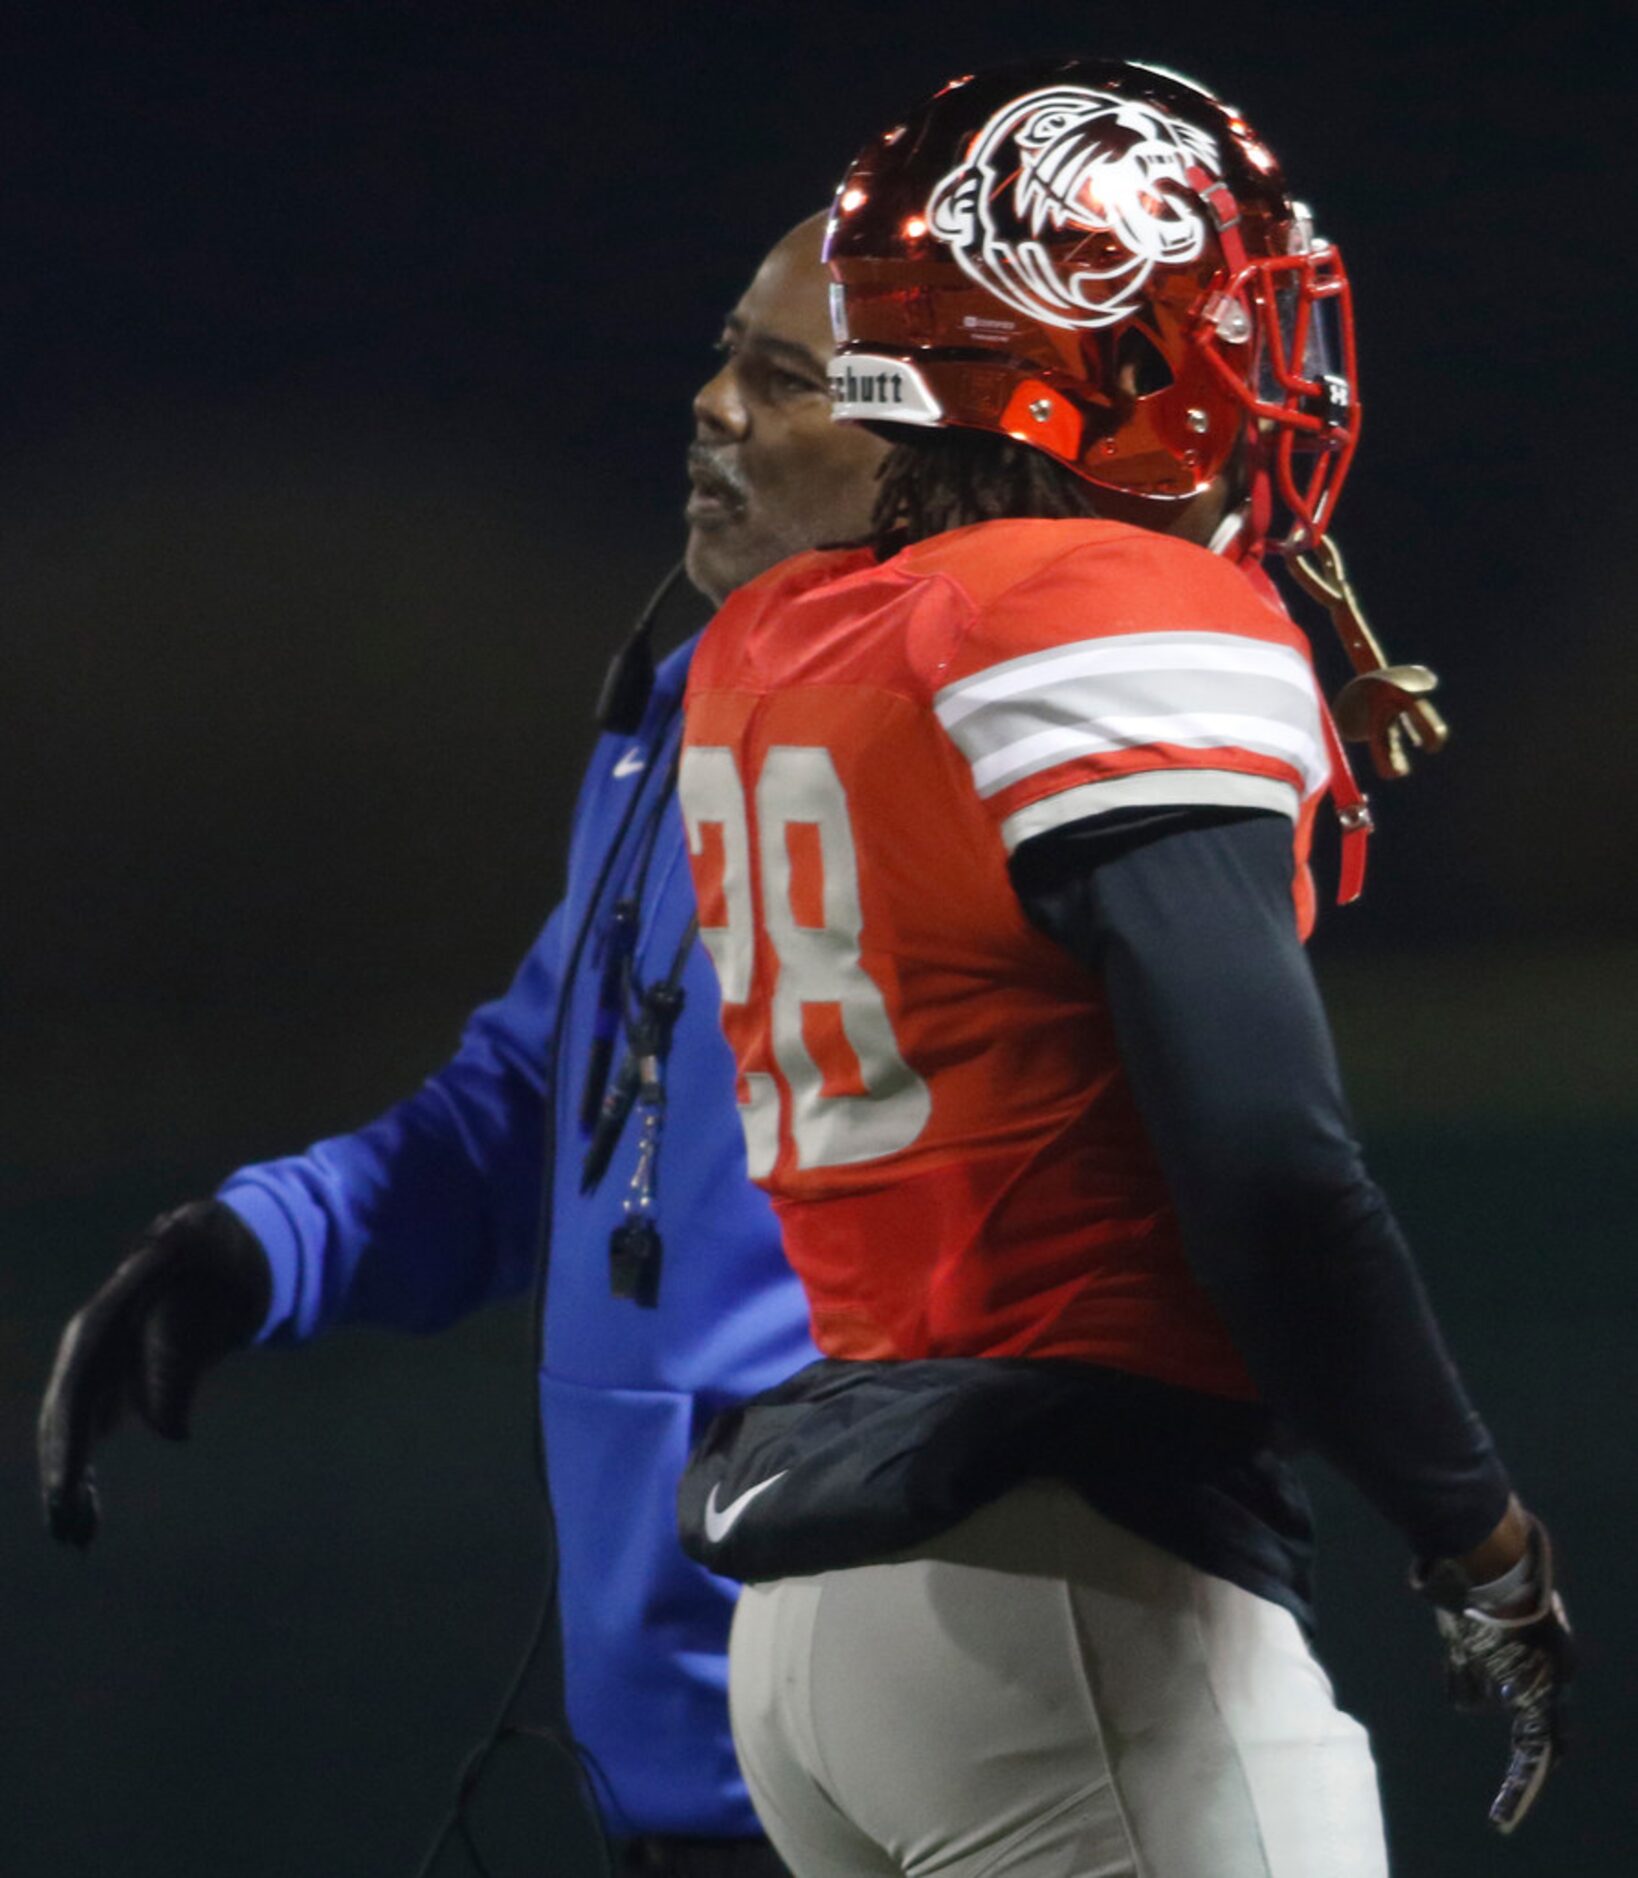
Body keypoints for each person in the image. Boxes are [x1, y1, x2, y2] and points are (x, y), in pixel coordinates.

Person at [671, 60, 1573, 1878]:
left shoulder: (777, 633)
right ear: (1102, 341)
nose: (1253, 371)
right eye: (1216, 323)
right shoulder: (1096, 610)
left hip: (824, 1631)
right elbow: (1266, 1165)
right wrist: (1471, 1529)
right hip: (1072, 1588)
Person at [37, 212, 888, 1878]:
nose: (711, 407)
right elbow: (533, 1100)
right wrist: (258, 1242)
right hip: (674, 1755)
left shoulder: (969, 739)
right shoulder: (688, 705)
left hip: (903, 1744)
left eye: (782, 378)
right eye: (723, 354)